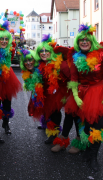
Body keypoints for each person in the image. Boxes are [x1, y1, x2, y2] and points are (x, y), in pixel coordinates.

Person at [64, 24, 103, 172]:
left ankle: (93, 156)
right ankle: (87, 150)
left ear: (91, 41)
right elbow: (74, 78)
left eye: (87, 40)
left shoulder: (100, 54)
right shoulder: (75, 57)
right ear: (78, 42)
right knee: (86, 125)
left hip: (99, 92)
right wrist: (74, 95)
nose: (84, 42)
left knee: (97, 126)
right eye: (81, 40)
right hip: (82, 93)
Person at [0, 21, 22, 143]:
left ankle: (6, 124)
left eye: (5, 39)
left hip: (7, 79)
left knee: (7, 104)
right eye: (1, 39)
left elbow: (12, 48)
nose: (3, 41)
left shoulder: (10, 50)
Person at [35, 34, 69, 144]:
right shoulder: (40, 63)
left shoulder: (58, 63)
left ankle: (54, 134)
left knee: (54, 112)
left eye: (47, 51)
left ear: (51, 52)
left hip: (57, 91)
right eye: (41, 51)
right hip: (46, 90)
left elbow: (69, 76)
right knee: (47, 110)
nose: (44, 53)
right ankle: (47, 126)